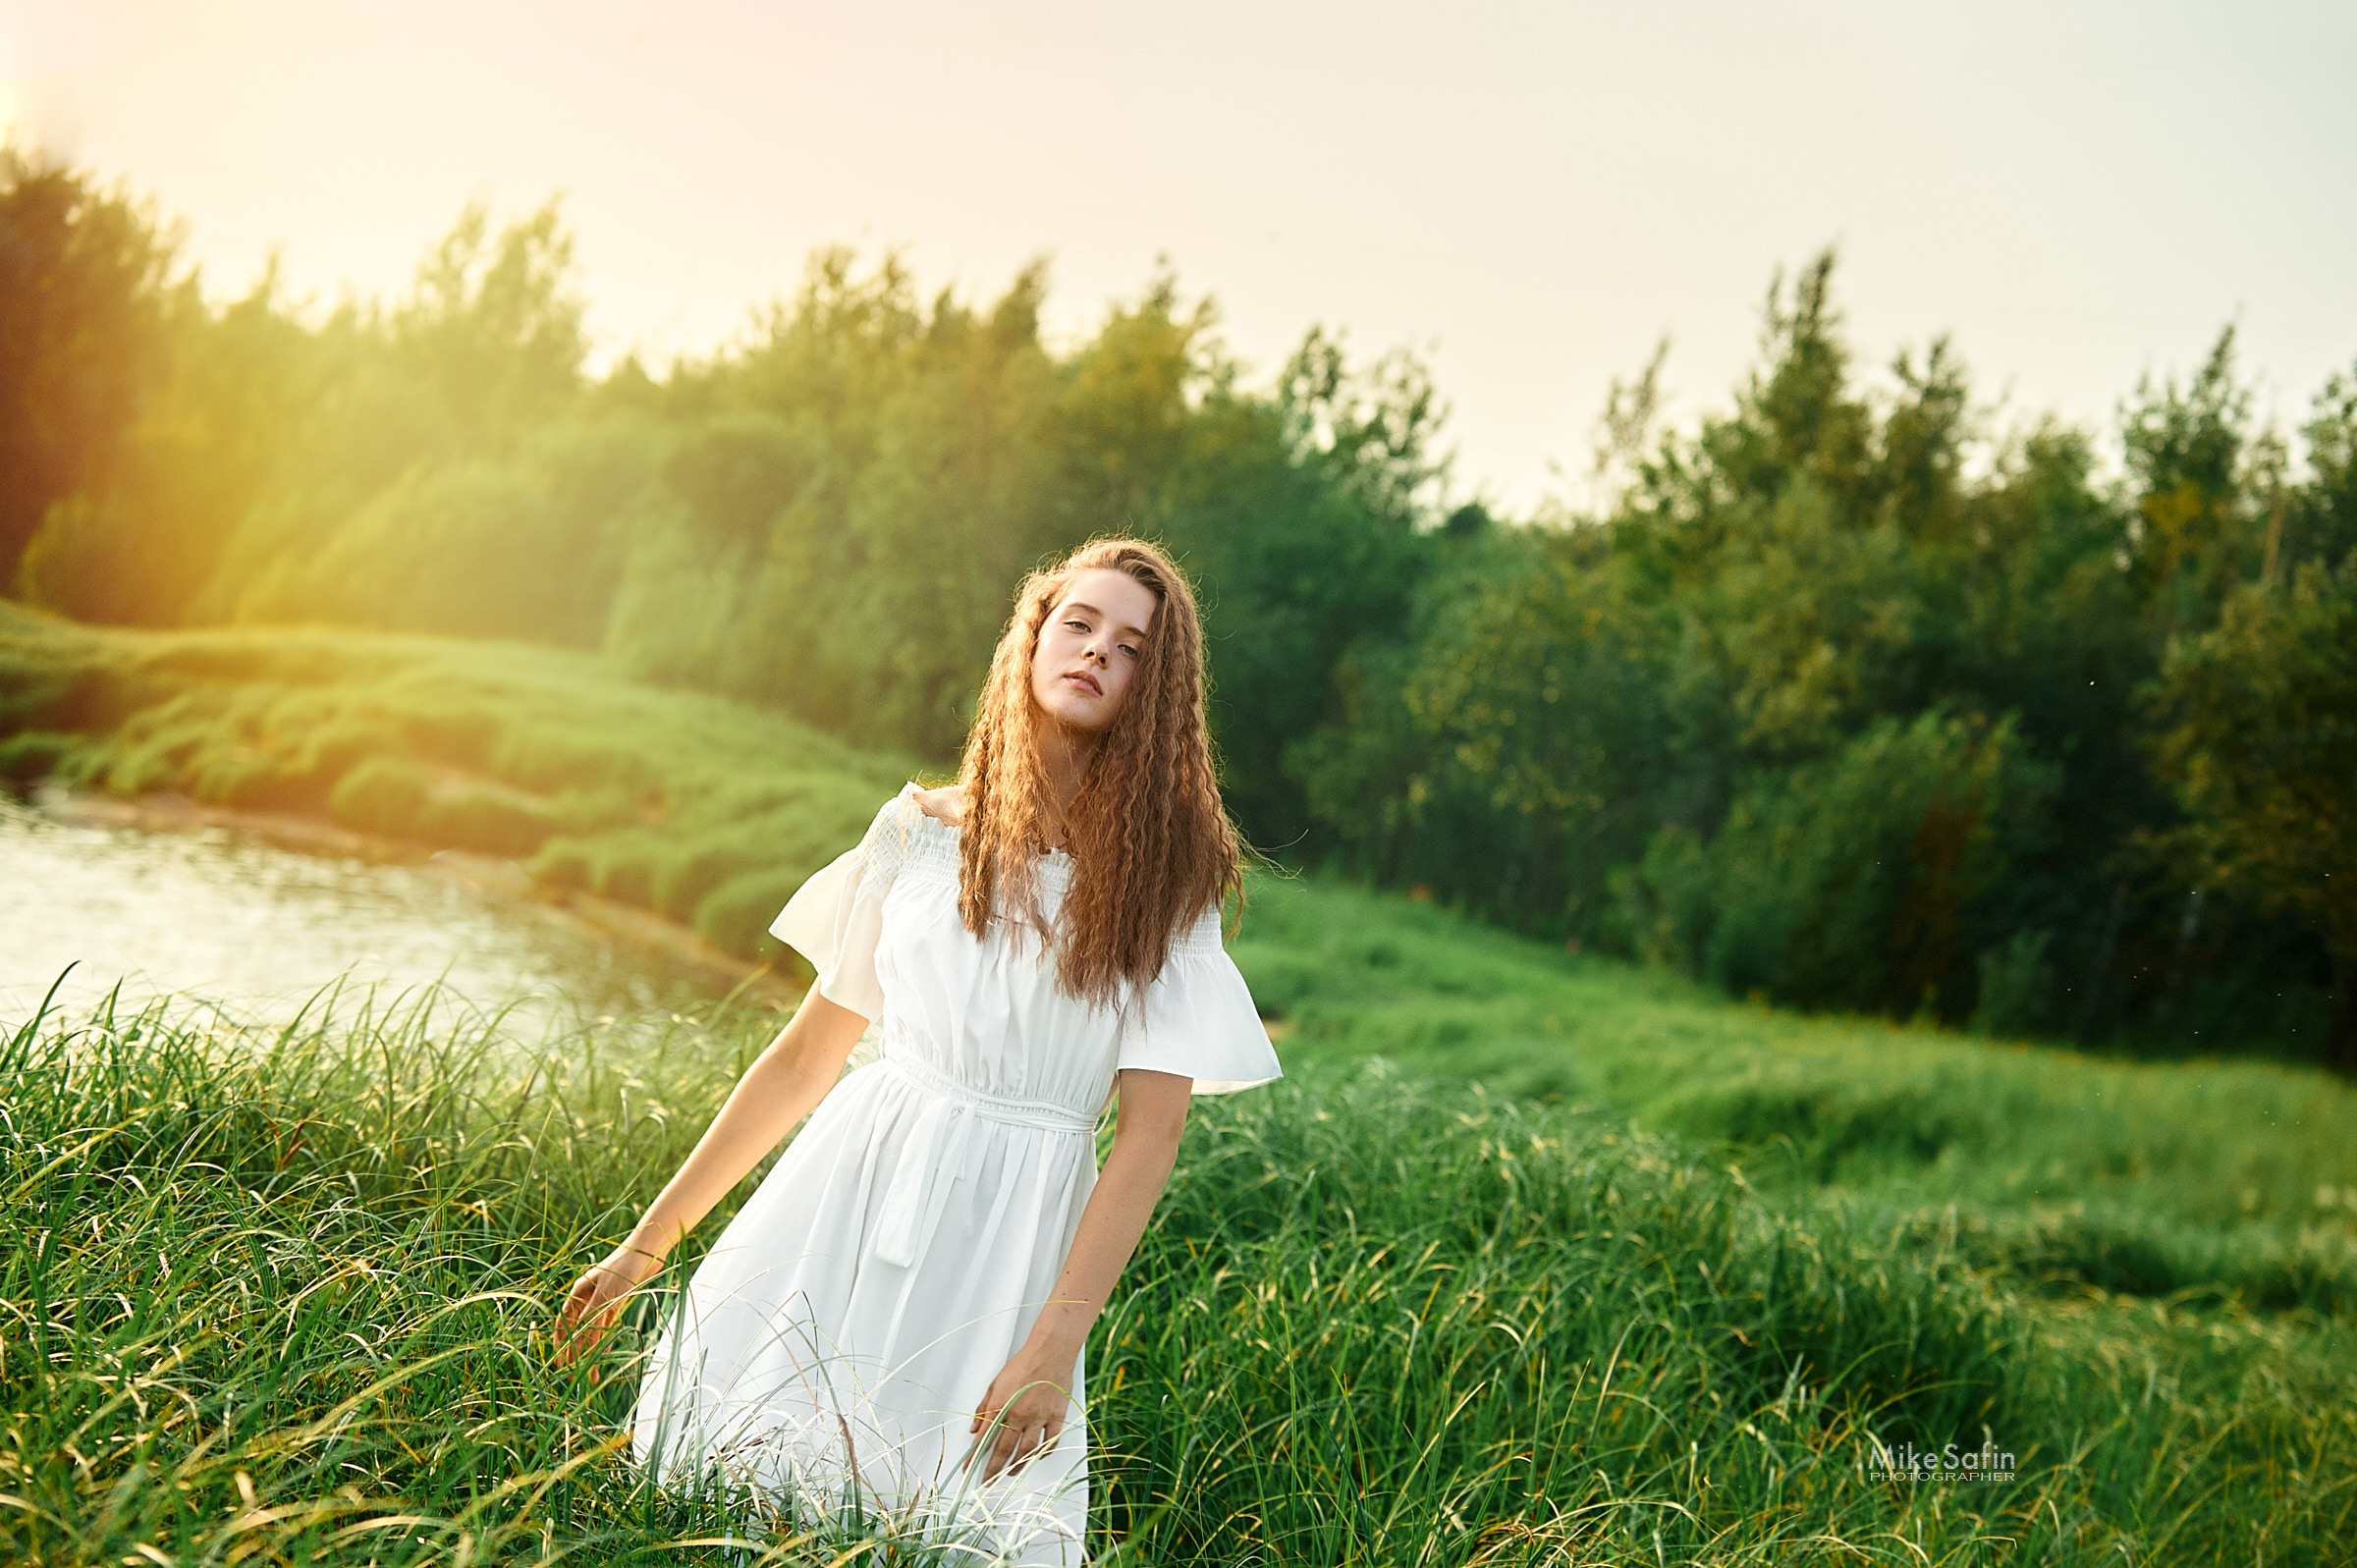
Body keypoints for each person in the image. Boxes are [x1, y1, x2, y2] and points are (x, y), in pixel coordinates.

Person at [553, 538, 1282, 1564]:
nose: (1096, 653)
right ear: (1032, 640)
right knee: (738, 1503)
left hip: (1010, 1237)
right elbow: (807, 1059)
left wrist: (1054, 1347)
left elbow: (1149, 1139)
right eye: (1078, 624)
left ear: (1152, 692)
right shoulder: (917, 832)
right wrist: (648, 1241)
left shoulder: (1170, 889)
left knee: (954, 1527)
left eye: (1129, 647)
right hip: (846, 1192)